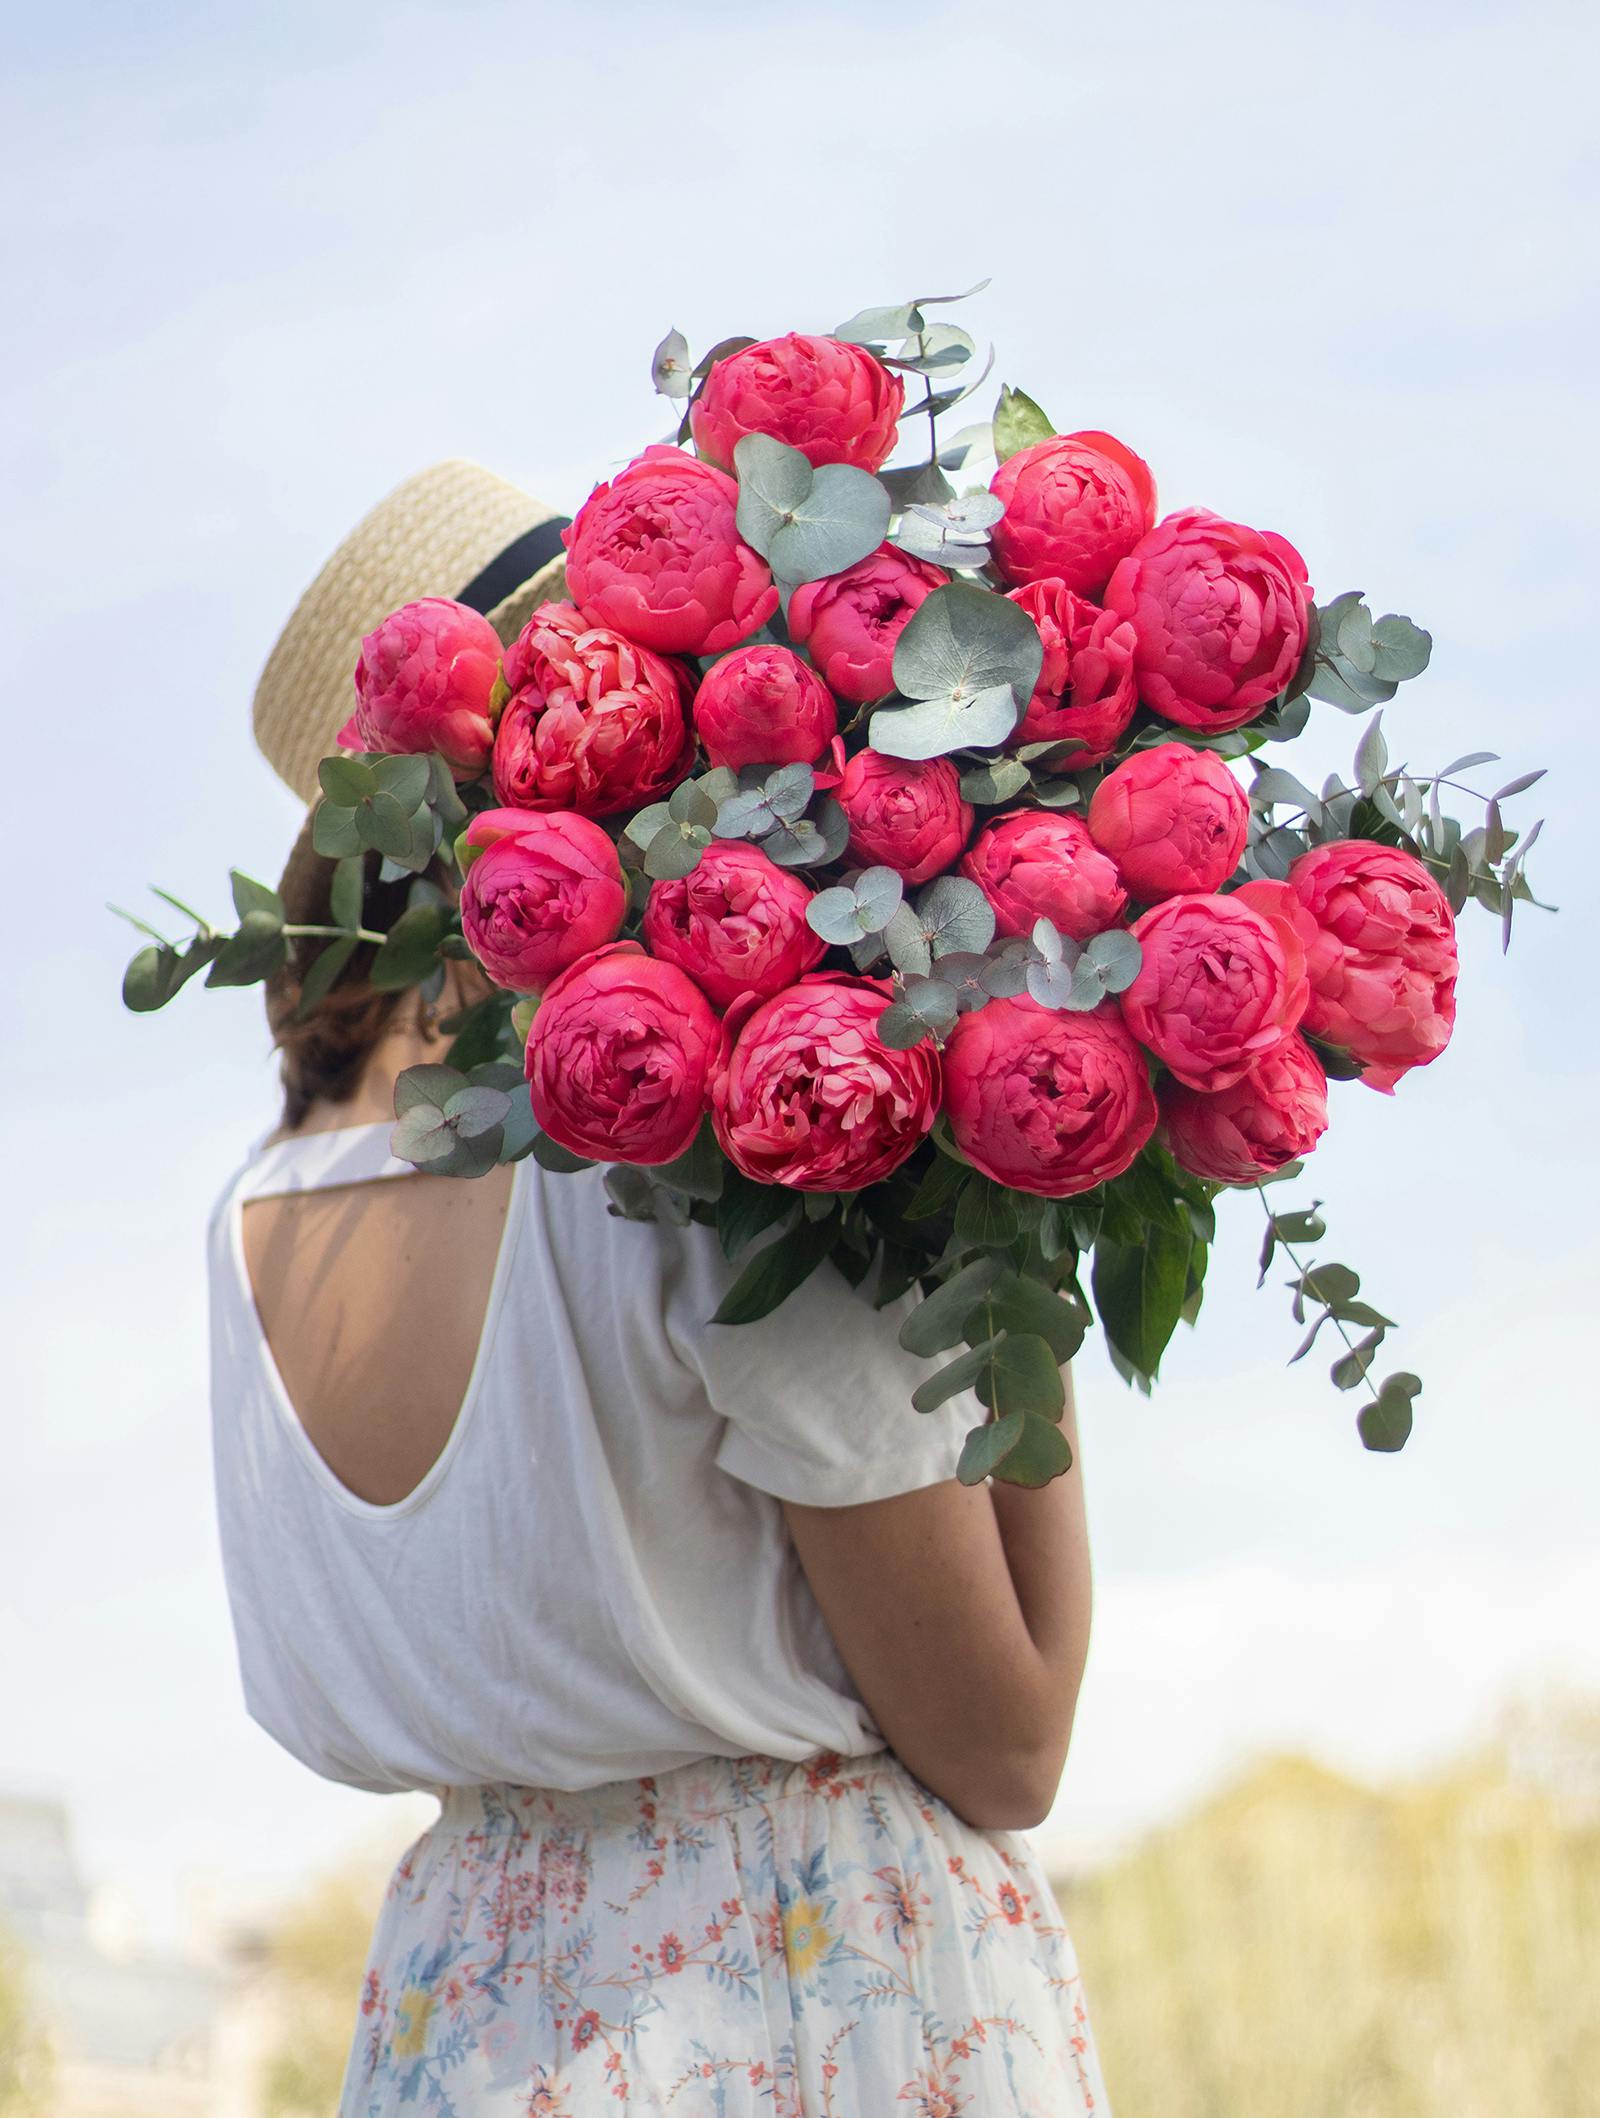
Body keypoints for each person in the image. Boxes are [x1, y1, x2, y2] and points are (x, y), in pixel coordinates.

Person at [208, 460, 1112, 2115]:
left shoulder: (249, 1224)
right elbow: (1008, 1737)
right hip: (803, 1982)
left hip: (460, 2006)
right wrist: (1012, 1190)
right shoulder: (696, 1148)